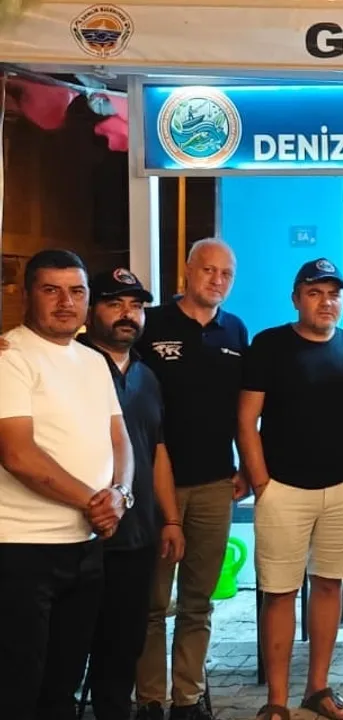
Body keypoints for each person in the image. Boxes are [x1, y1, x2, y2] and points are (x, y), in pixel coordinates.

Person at [236, 259, 343, 720]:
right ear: (296, 298)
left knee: (330, 585)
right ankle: (276, 700)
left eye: (333, 294)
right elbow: (246, 420)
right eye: (315, 293)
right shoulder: (269, 345)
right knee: (279, 592)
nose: (325, 302)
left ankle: (317, 688)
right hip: (283, 490)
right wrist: (261, 482)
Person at [0, 249, 131, 720]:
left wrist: (121, 495)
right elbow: (18, 455)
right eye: (51, 290)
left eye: (76, 291)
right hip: (21, 549)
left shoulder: (93, 361)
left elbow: (121, 439)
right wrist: (96, 502)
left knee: (63, 687)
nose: (65, 302)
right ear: (27, 296)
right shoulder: (10, 357)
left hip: (85, 546)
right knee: (17, 689)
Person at [136, 237, 248, 720]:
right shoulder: (152, 324)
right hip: (154, 486)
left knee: (198, 600)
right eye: (208, 270)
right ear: (187, 271)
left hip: (215, 483)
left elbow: (243, 408)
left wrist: (245, 467)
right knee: (152, 601)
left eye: (226, 273)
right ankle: (149, 699)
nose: (217, 280)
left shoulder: (235, 330)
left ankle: (186, 698)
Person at [81, 269, 184, 720]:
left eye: (136, 305)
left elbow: (156, 451)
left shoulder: (146, 375)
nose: (127, 314)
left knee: (123, 647)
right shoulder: (72, 365)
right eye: (115, 303)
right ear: (91, 310)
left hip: (137, 534)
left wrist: (171, 519)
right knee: (69, 647)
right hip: (81, 533)